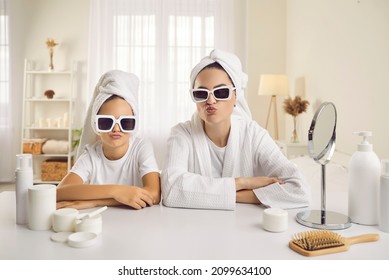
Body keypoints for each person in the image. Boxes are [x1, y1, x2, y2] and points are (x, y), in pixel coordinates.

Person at [161, 49, 310, 210]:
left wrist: (230, 195)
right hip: (193, 227)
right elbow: (171, 189)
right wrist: (244, 183)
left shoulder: (254, 135)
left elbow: (299, 190)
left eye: (221, 92)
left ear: (236, 96)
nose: (210, 100)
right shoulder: (181, 134)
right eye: (201, 93)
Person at [57, 70, 160, 210]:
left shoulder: (141, 147)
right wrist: (117, 192)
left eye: (125, 122)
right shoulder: (92, 155)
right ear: (95, 125)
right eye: (106, 122)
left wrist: (95, 202)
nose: (116, 129)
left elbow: (154, 194)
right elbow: (60, 192)